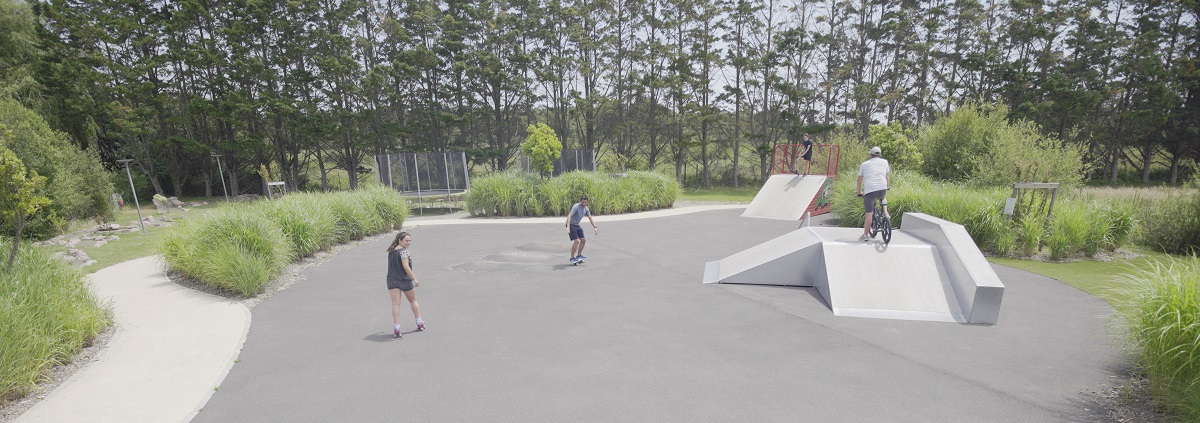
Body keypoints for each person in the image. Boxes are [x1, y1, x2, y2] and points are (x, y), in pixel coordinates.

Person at [386, 231, 424, 338]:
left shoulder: (391, 251)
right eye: (406, 241)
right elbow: (406, 267)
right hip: (404, 280)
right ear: (400, 240)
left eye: (410, 241)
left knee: (395, 304)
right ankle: (419, 322)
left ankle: (397, 328)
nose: (408, 243)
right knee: (413, 300)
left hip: (391, 280)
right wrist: (414, 279)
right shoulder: (404, 252)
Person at [856, 146, 891, 242]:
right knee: (883, 197)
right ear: (880, 155)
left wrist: (859, 192)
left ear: (870, 155)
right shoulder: (885, 162)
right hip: (882, 187)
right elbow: (887, 177)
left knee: (869, 214)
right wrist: (887, 186)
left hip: (870, 190)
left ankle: (866, 235)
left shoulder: (864, 164)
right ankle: (885, 212)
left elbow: (859, 181)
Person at [565, 194, 598, 264]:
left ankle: (579, 256)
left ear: (587, 202)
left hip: (576, 225)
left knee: (583, 240)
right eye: (582, 202)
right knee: (576, 241)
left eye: (585, 202)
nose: (584, 204)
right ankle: (572, 258)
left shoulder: (586, 209)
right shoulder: (576, 206)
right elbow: (569, 215)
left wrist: (595, 227)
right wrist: (568, 227)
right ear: (580, 201)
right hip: (571, 224)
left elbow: (590, 218)